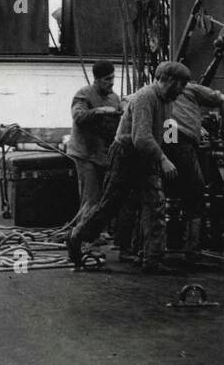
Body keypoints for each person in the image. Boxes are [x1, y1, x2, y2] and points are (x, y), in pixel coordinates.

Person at [66, 61, 185, 275]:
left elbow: (166, 132)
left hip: (147, 153)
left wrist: (174, 149)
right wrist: (163, 159)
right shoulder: (145, 97)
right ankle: (77, 236)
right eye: (180, 85)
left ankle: (152, 259)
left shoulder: (168, 101)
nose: (182, 91)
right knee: (110, 204)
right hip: (126, 152)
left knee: (155, 204)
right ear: (166, 80)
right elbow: (141, 137)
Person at [162, 61, 224, 260]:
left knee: (169, 193)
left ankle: (171, 245)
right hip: (181, 144)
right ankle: (192, 250)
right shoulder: (188, 90)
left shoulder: (151, 92)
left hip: (169, 144)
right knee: (196, 193)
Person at [67, 61, 122, 215]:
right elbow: (78, 115)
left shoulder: (115, 99)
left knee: (104, 197)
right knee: (90, 197)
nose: (111, 83)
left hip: (103, 155)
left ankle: (98, 232)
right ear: (96, 80)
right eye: (107, 79)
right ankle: (84, 235)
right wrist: (99, 111)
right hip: (85, 154)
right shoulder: (83, 95)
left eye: (112, 78)